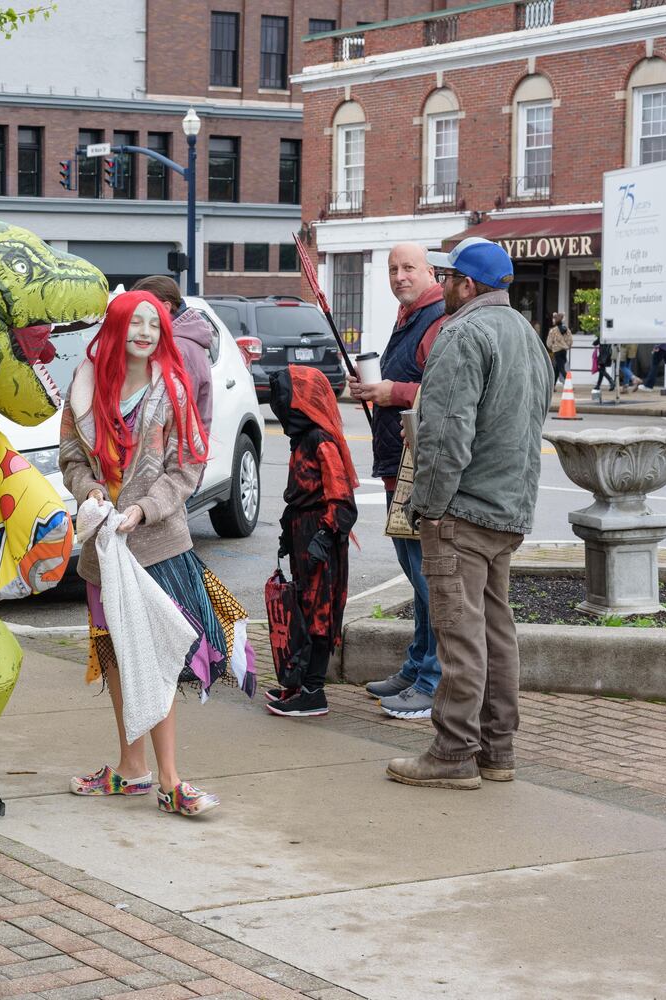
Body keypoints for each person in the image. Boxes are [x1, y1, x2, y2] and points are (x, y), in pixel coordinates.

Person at [60, 290, 233, 817]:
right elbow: (70, 457)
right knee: (115, 658)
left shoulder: (173, 390)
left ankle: (171, 780)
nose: (144, 333)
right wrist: (89, 490)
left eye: (153, 325)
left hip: (158, 546)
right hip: (103, 552)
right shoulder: (85, 389)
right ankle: (130, 769)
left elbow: (187, 468)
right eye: (134, 323)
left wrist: (143, 511)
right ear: (115, 328)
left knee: (156, 659)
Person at [387, 237, 550, 790]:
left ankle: (453, 753)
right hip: (508, 509)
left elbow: (445, 436)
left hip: (462, 509)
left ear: (468, 285)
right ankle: (496, 751)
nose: (443, 284)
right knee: (497, 632)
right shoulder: (527, 336)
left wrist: (428, 509)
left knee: (459, 635)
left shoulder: (463, 334)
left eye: (450, 277)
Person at [348, 242, 446, 719]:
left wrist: (391, 390)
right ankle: (415, 669)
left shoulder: (439, 318)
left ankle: (433, 681)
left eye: (409, 268)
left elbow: (444, 391)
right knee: (415, 572)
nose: (400, 276)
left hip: (419, 471)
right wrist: (373, 387)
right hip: (396, 467)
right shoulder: (409, 316)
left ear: (431, 272)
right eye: (393, 269)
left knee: (429, 577)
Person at [265, 367, 358, 718]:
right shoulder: (302, 438)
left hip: (321, 538)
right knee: (303, 609)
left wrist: (324, 536)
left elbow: (343, 499)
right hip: (305, 534)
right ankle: (299, 682)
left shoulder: (321, 440)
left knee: (320, 612)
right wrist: (291, 535)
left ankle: (314, 691)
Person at [129, 275, 214, 431]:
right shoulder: (181, 340)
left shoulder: (177, 347)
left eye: (143, 307)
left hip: (173, 448)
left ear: (166, 307)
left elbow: (176, 412)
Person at [545, 312, 572, 387]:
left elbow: (549, 343)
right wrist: (567, 346)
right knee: (557, 368)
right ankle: (553, 385)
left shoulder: (553, 331)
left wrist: (552, 347)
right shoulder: (566, 329)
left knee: (561, 368)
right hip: (564, 350)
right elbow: (570, 341)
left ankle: (568, 384)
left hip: (557, 351)